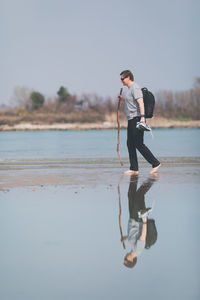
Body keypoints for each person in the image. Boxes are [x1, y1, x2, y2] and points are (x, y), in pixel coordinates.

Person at [118, 70, 161, 175]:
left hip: (137, 118)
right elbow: (131, 102)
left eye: (122, 79)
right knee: (130, 143)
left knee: (138, 143)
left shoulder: (135, 87)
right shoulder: (129, 90)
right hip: (131, 119)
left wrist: (142, 118)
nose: (121, 81)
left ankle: (155, 163)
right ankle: (134, 169)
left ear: (128, 77)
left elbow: (140, 103)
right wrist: (122, 99)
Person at [121, 175, 158, 268]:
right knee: (139, 195)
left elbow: (134, 234)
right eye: (126, 259)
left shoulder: (133, 248)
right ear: (131, 260)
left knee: (130, 195)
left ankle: (134, 176)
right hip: (138, 218)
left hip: (132, 217)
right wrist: (144, 220)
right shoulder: (138, 250)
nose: (125, 257)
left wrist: (125, 237)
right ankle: (152, 179)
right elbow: (143, 236)